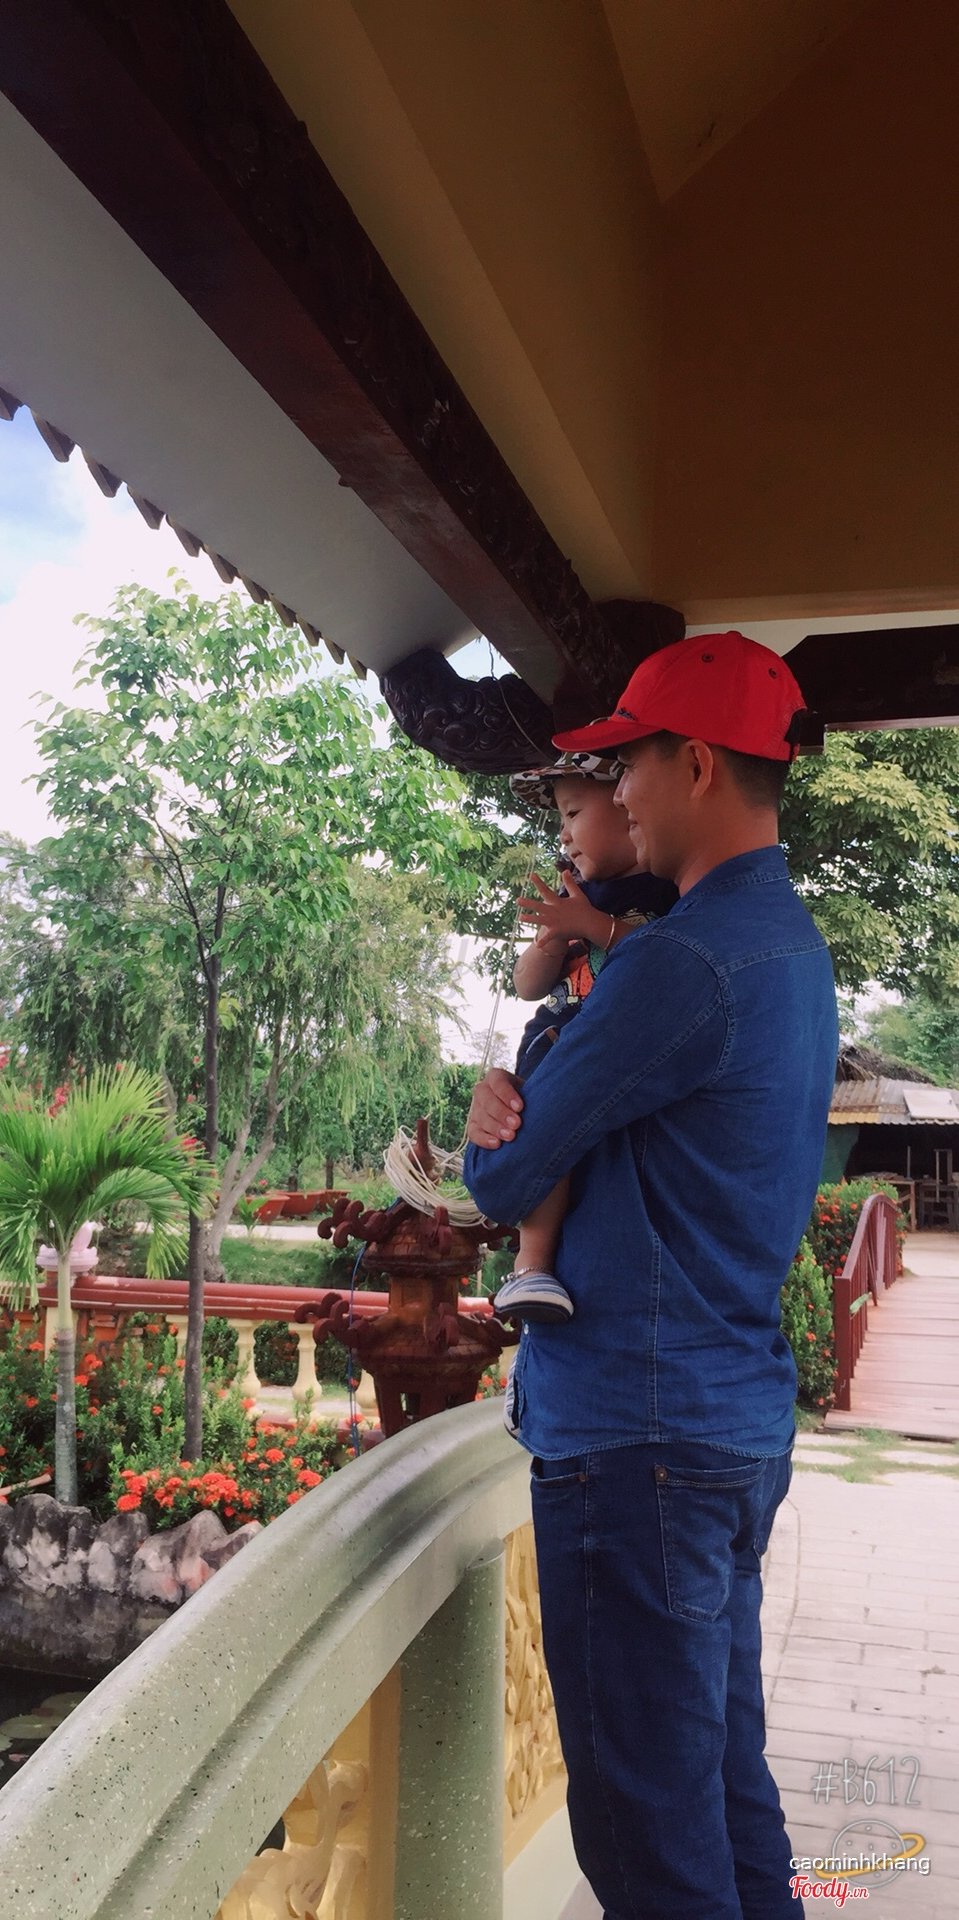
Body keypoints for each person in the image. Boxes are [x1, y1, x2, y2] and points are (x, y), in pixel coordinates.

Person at [462, 630, 838, 1920]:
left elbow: (508, 1179)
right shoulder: (790, 944)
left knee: (645, 1843)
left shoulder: (681, 962)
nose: (614, 792)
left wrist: (490, 1117)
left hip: (638, 1444)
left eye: (628, 763)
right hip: (722, 1427)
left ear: (697, 764)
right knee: (722, 1801)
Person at [493, 753, 676, 1326]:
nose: (564, 834)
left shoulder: (665, 890)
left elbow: (659, 958)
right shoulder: (572, 894)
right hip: (554, 1042)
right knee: (544, 1137)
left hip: (615, 1049)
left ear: (627, 807)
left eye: (574, 813)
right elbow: (526, 986)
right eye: (560, 819)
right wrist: (551, 938)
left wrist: (591, 925)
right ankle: (532, 1263)